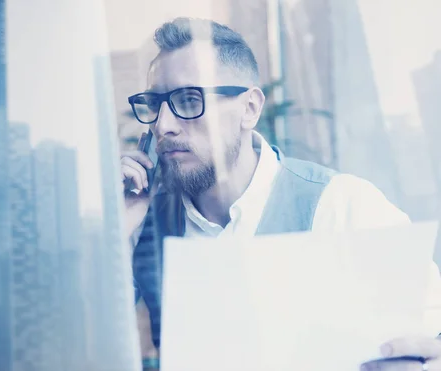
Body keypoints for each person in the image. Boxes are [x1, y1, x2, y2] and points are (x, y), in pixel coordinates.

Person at [120, 17, 441, 370]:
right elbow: (87, 344)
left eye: (189, 99)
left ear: (250, 109)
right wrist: (117, 232)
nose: (163, 125)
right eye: (154, 104)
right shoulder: (141, 226)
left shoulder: (344, 207)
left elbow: (429, 340)